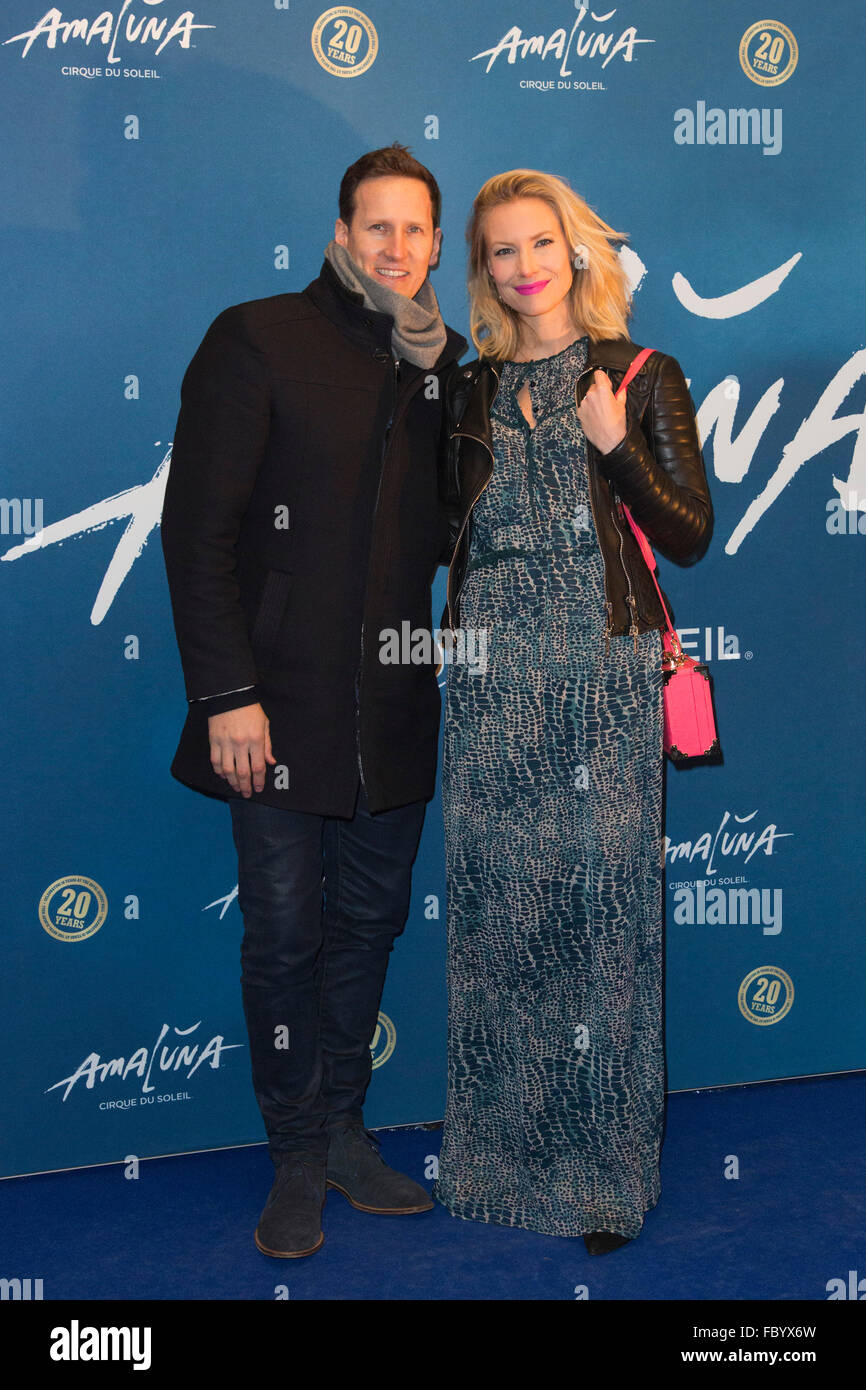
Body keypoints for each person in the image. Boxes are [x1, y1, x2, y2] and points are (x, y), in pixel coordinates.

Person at [161, 144, 466, 1259]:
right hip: (272, 709)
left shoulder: (443, 369)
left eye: (415, 230)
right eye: (374, 227)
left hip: (391, 702)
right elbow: (194, 537)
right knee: (285, 937)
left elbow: (448, 536)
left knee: (368, 930)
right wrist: (227, 695)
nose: (395, 248)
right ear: (341, 234)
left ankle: (342, 1128)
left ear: (437, 246)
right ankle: (293, 1150)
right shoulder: (257, 338)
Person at [433, 170, 712, 1254]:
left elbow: (684, 531)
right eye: (499, 250)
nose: (522, 265)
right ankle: (496, 1165)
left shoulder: (641, 374)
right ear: (484, 270)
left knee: (600, 923)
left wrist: (615, 442)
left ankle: (602, 1178)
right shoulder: (463, 389)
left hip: (603, 663)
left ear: (576, 250)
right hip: (496, 668)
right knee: (503, 923)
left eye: (538, 242)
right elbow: (435, 531)